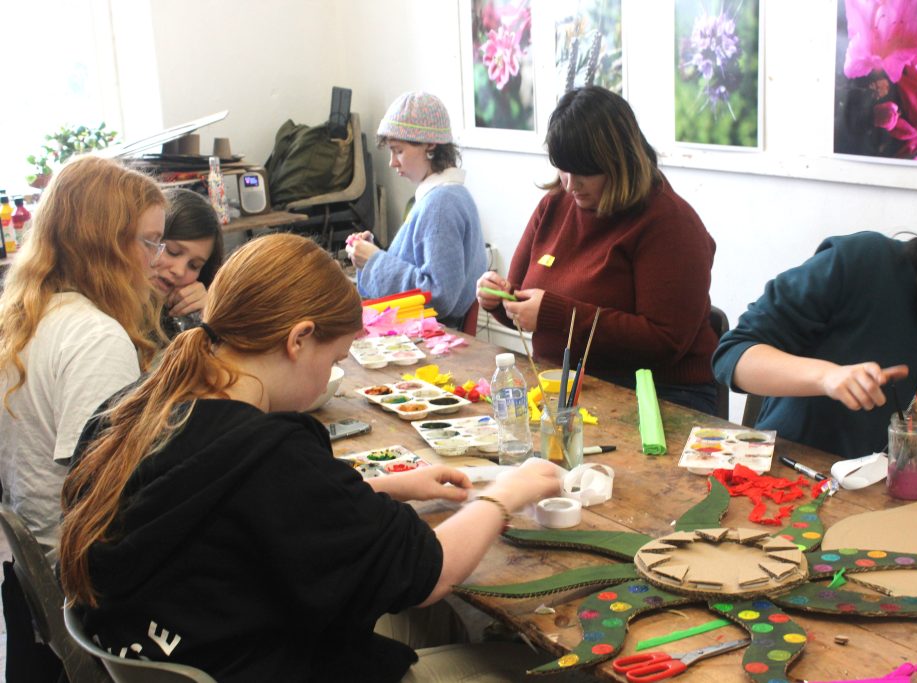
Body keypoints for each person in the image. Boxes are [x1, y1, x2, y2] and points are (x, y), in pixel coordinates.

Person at [59, 233, 563, 682]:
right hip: (260, 662)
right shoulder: (268, 454)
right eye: (336, 358)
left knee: (433, 623)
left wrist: (385, 486)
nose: (330, 376)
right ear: (299, 338)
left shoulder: (134, 410)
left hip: (184, 643)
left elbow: (245, 514)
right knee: (540, 667)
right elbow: (432, 573)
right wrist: (505, 495)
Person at [713, 177, 917, 500]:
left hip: (899, 521)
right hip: (787, 487)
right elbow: (733, 357)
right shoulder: (862, 264)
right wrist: (827, 377)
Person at [0, 155, 166, 680]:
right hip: (77, 579)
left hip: (27, 565)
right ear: (106, 245)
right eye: (149, 242)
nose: (157, 260)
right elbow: (102, 490)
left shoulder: (28, 316)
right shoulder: (94, 337)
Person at [476, 86, 718, 412]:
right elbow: (522, 304)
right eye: (562, 168)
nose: (570, 184)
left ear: (619, 162)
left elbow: (665, 342)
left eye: (585, 172)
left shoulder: (669, 223)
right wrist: (499, 300)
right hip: (566, 386)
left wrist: (558, 314)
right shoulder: (555, 205)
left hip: (659, 396)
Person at [347, 91, 487, 330]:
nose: (392, 162)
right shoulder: (452, 196)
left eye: (398, 150)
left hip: (431, 341)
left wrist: (374, 261)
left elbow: (440, 295)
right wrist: (373, 254)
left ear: (430, 145)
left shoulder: (440, 205)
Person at [155, 187, 224, 336]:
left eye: (194, 266)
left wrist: (209, 319)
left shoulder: (191, 314)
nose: (179, 271)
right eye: (173, 252)